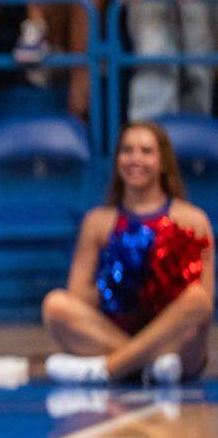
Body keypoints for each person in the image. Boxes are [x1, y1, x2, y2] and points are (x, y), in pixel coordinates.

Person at [43, 122, 214, 384]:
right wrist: (117, 282)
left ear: (163, 162)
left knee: (196, 300)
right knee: (55, 305)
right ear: (116, 161)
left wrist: (159, 284)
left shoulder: (191, 219)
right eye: (127, 150)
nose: (135, 159)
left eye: (146, 151)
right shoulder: (98, 221)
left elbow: (204, 300)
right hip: (119, 333)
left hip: (176, 345)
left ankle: (109, 368)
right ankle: (148, 366)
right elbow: (76, 295)